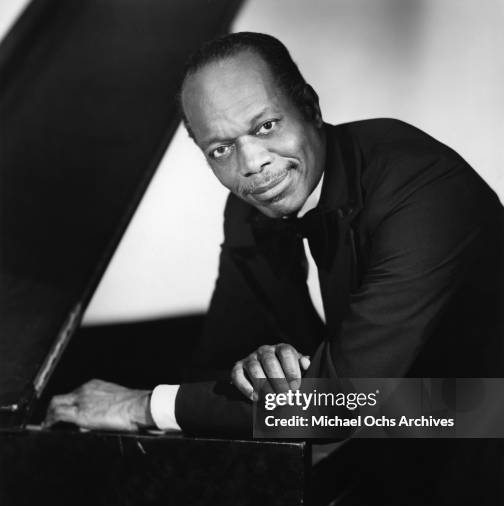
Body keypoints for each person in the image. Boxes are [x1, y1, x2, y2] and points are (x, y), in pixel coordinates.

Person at [45, 32, 504, 437]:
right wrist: (254, 370)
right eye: (221, 149)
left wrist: (143, 406)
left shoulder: (420, 188)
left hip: (481, 432)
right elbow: (219, 360)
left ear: (310, 107)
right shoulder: (250, 207)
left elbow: (342, 404)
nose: (251, 165)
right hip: (394, 449)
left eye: (266, 127)